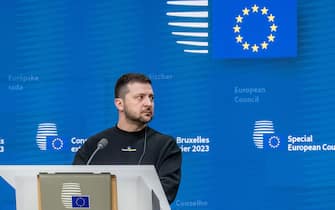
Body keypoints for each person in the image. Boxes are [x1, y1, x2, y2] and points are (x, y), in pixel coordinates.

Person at [73, 73, 182, 204]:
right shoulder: (95, 146)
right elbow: (75, 189)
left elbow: (163, 195)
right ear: (119, 104)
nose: (148, 103)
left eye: (151, 98)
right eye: (140, 97)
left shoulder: (166, 145)